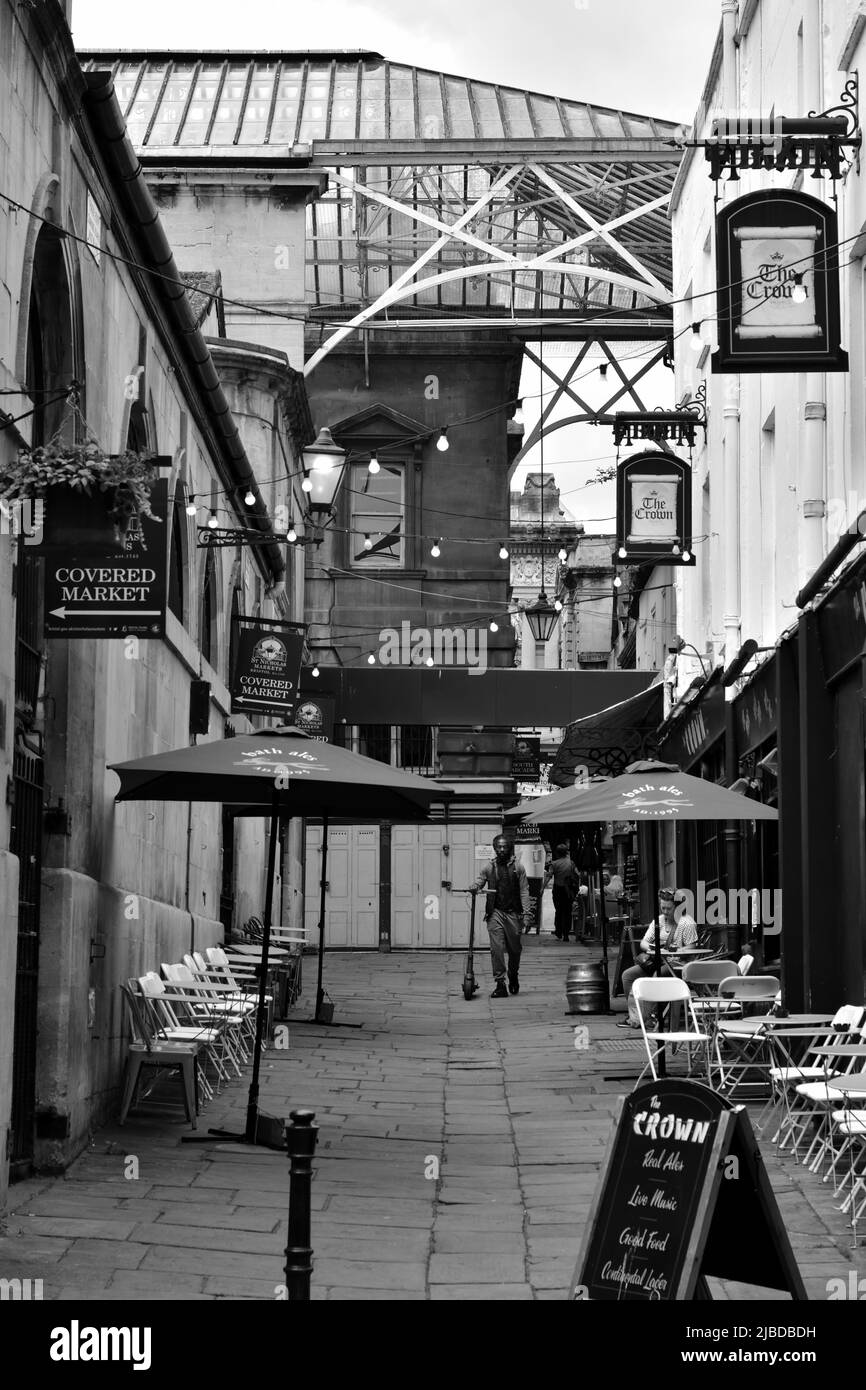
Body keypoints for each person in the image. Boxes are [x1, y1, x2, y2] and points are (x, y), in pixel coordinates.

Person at [617, 888, 699, 1028]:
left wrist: (674, 950)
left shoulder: (687, 923)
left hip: (677, 964)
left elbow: (692, 948)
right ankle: (636, 1016)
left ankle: (649, 1017)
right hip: (656, 960)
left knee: (657, 976)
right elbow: (643, 943)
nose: (665, 912)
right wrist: (653, 949)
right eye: (663, 908)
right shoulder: (659, 920)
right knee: (628, 975)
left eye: (669, 908)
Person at [472, 834, 532, 997]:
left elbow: (524, 890)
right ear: (494, 848)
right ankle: (500, 983)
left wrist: (527, 913)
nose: (502, 849)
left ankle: (513, 974)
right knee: (496, 949)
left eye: (505, 846)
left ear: (509, 848)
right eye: (499, 847)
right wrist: (475, 886)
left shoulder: (518, 868)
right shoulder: (489, 867)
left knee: (515, 950)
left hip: (513, 913)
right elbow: (480, 881)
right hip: (495, 913)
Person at [544, 843, 580, 940]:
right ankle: (566, 934)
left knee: (559, 911)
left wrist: (542, 888)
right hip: (568, 891)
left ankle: (559, 931)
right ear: (566, 853)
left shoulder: (554, 864)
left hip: (558, 890)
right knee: (567, 911)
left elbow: (548, 876)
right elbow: (577, 874)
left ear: (557, 853)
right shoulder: (571, 863)